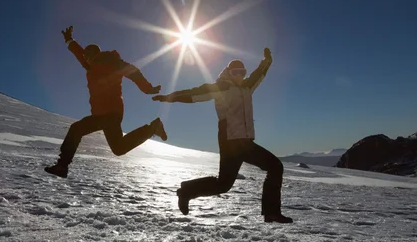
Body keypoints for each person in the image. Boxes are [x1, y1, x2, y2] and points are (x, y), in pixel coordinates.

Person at [152, 48, 292, 223]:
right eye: (236, 72)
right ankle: (186, 192)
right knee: (223, 185)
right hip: (230, 143)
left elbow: (259, 74)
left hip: (246, 143)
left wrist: (267, 61)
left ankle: (271, 212)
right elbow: (193, 94)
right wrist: (168, 97)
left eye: (243, 72)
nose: (240, 75)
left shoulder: (248, 87)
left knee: (275, 167)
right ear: (229, 72)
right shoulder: (221, 87)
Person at [45, 26, 168, 178]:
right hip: (101, 115)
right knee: (117, 147)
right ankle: (62, 166)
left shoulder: (113, 62)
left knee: (77, 129)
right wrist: (69, 40)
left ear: (93, 54)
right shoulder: (91, 65)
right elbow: (79, 54)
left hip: (110, 113)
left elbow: (133, 72)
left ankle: (62, 165)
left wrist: (147, 88)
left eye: (87, 55)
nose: (85, 59)